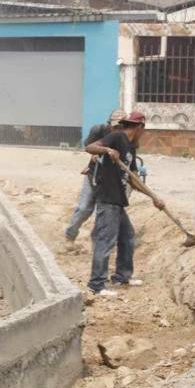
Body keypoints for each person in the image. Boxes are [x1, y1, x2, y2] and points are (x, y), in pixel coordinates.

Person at [84, 111, 165, 296]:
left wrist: (153, 197)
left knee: (127, 237)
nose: (143, 133)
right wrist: (107, 150)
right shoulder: (117, 136)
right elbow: (90, 147)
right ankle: (96, 284)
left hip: (118, 199)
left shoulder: (131, 147)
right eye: (143, 130)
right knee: (106, 240)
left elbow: (133, 178)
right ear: (140, 127)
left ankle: (122, 276)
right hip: (107, 197)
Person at [65, 109, 126, 242]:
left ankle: (97, 240)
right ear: (109, 124)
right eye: (115, 126)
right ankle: (70, 234)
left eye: (122, 126)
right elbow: (89, 147)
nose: (118, 129)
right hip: (93, 174)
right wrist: (96, 154)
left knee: (105, 211)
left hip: (111, 181)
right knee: (84, 208)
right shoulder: (98, 130)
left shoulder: (126, 139)